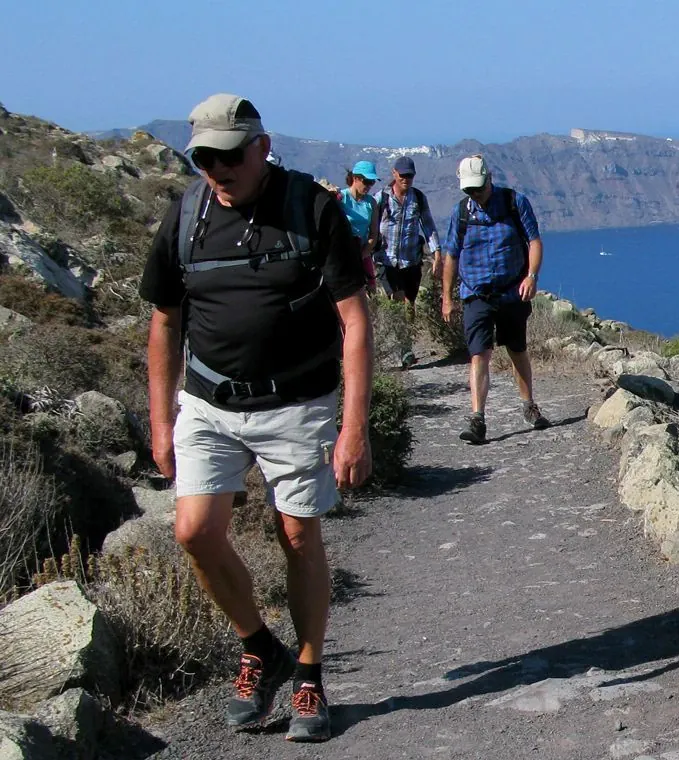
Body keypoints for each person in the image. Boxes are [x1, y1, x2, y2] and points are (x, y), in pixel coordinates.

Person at [141, 93, 372, 743]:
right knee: (194, 533)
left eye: (229, 155)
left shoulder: (312, 210)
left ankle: (307, 674)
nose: (218, 168)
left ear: (262, 148)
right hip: (209, 403)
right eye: (205, 157)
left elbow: (354, 321)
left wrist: (353, 428)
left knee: (297, 535)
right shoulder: (184, 217)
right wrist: (161, 424)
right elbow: (164, 323)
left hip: (297, 402)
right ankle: (258, 646)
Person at [441, 154, 550, 444]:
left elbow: (534, 241)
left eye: (478, 187)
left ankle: (529, 406)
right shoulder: (461, 213)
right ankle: (478, 419)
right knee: (480, 354)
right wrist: (447, 297)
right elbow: (451, 254)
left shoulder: (515, 203)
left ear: (489, 179)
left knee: (517, 349)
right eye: (469, 190)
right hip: (476, 293)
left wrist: (532, 276)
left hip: (512, 291)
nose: (475, 194)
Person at [369, 156, 439, 367]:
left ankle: (405, 344)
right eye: (402, 175)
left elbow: (428, 225)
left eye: (409, 175)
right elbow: (370, 226)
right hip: (387, 261)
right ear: (394, 174)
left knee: (410, 304)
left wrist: (437, 254)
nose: (406, 179)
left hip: (411, 261)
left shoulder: (417, 198)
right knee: (397, 300)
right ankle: (404, 350)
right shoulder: (381, 198)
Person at [339, 160, 380, 281]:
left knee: (370, 287)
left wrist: (364, 254)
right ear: (355, 178)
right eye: (366, 182)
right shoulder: (341, 198)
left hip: (362, 252)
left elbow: (373, 233)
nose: (369, 186)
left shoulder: (371, 203)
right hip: (342, 252)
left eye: (371, 182)